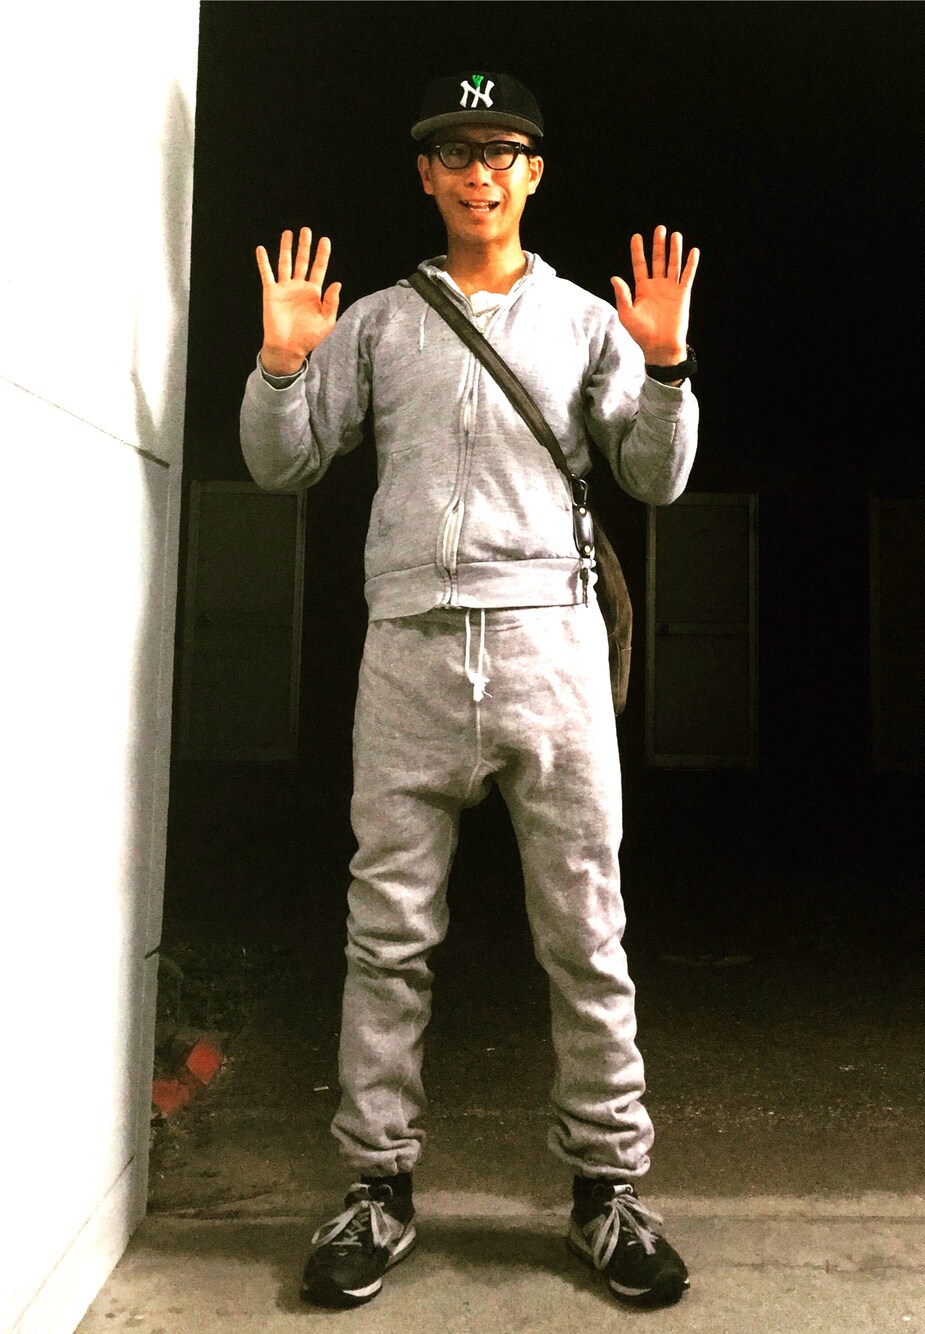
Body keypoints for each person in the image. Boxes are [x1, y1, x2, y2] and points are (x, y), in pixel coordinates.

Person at [240, 69, 700, 1311]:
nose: (478, 172)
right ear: (426, 174)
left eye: (502, 151)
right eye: (455, 151)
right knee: (385, 933)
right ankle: (375, 1186)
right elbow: (283, 464)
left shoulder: (587, 320)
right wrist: (281, 367)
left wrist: (665, 368)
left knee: (585, 928)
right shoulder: (379, 322)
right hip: (410, 649)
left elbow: (653, 476)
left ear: (532, 173)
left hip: (549, 641)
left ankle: (608, 1189)